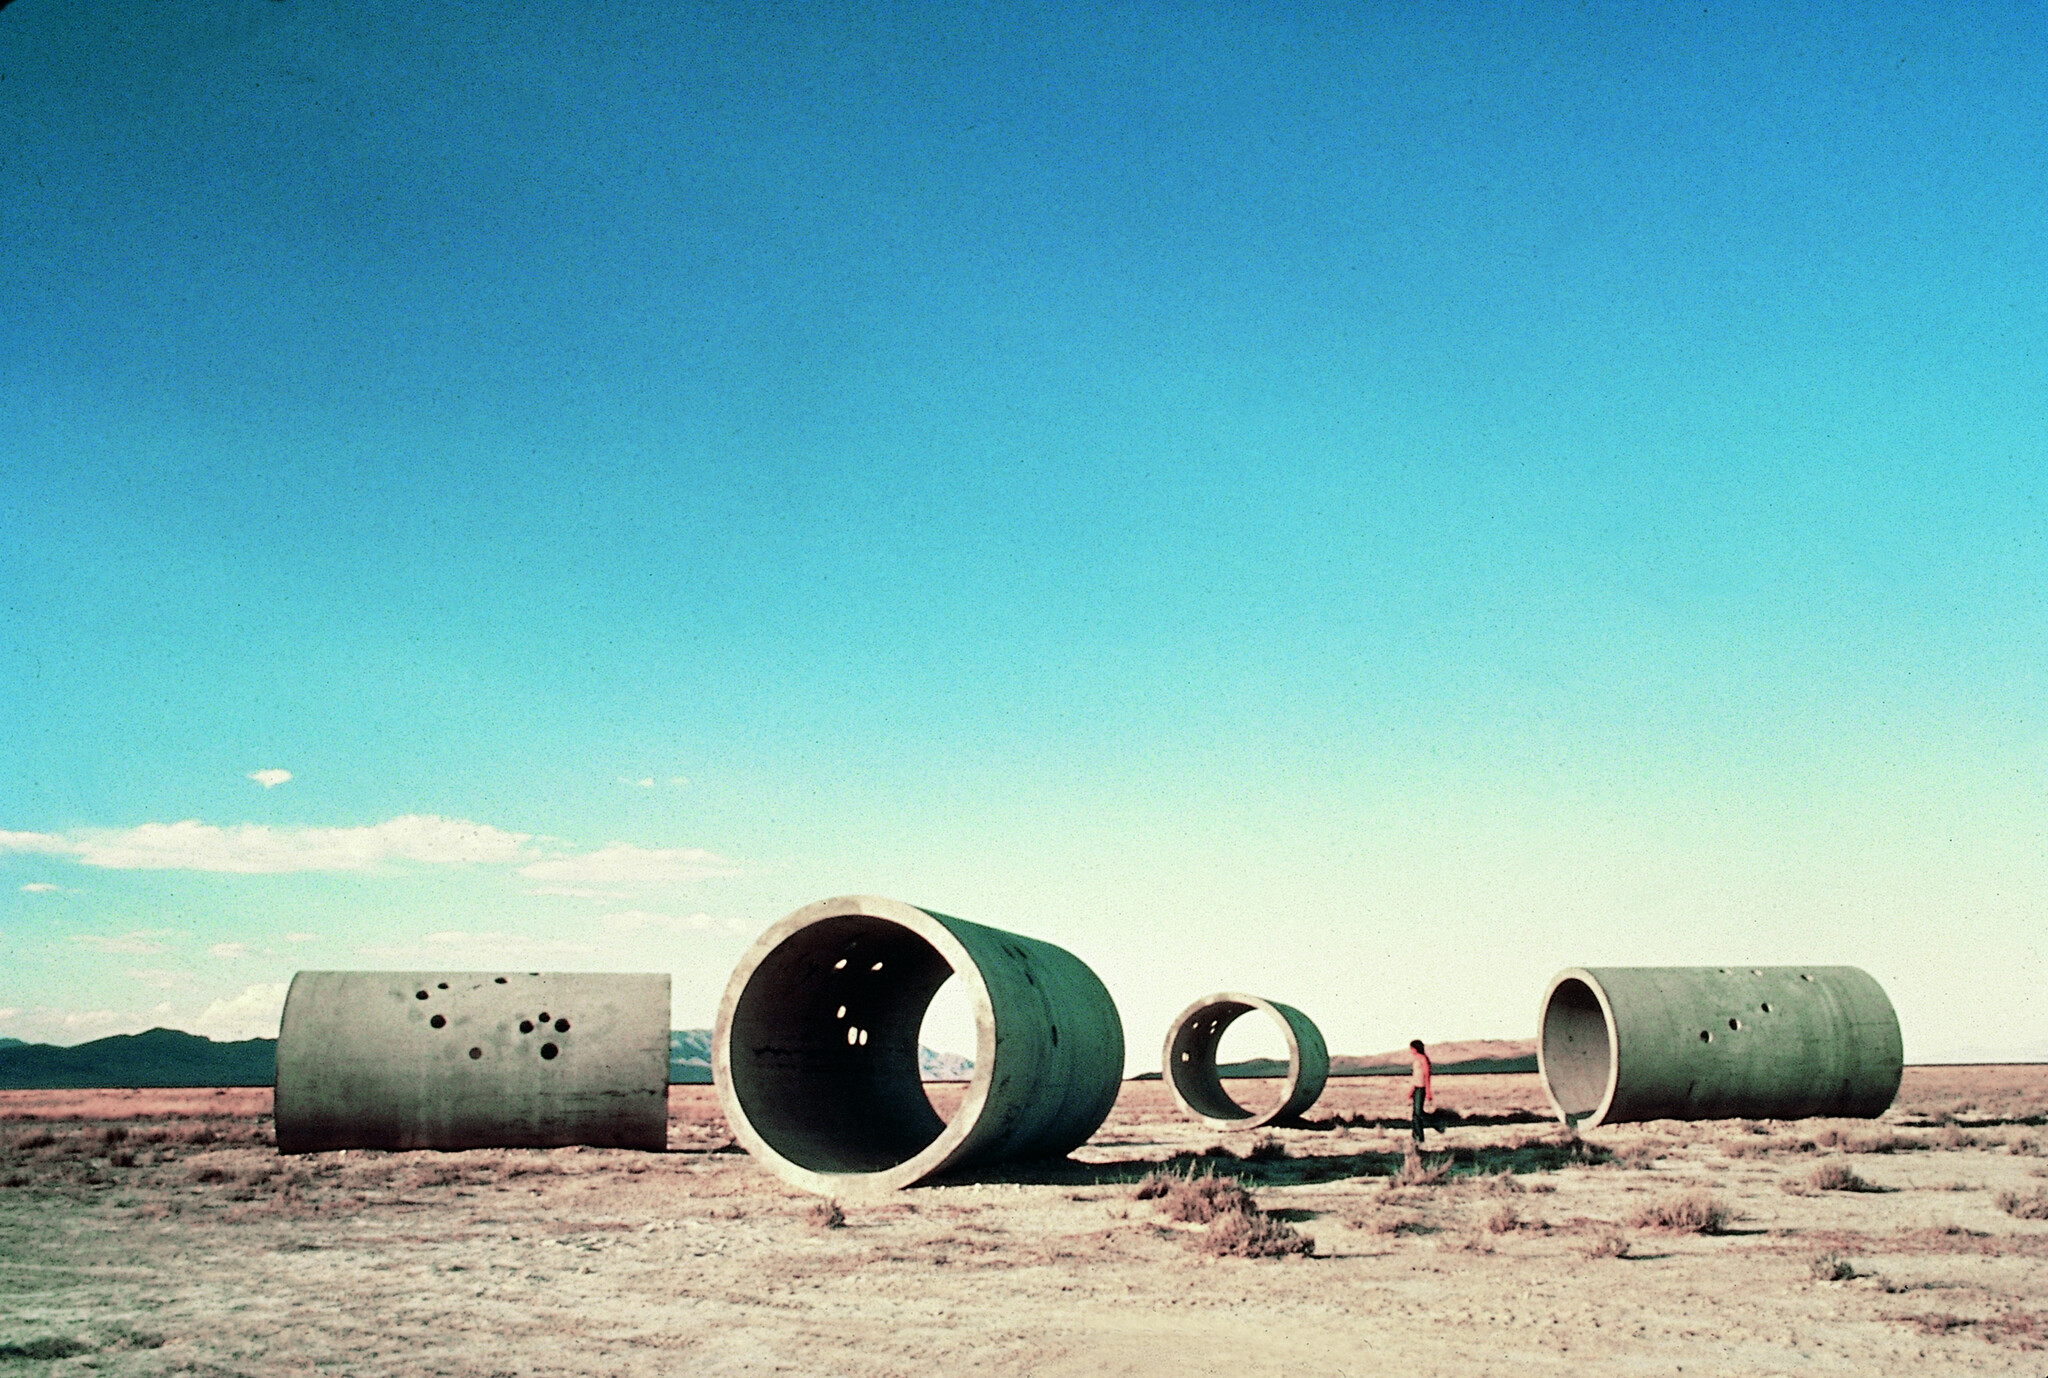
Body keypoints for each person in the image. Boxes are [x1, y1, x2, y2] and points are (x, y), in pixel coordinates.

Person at [1407, 1039, 1433, 1145]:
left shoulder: (1423, 1059)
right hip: (1416, 1087)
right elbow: (1416, 1076)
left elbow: (1426, 1074)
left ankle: (1420, 1137)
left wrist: (1427, 1090)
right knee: (1415, 1114)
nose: (1411, 1050)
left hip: (1421, 1087)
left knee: (1418, 1113)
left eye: (1412, 1048)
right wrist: (1411, 1089)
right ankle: (1415, 1136)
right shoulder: (1416, 1060)